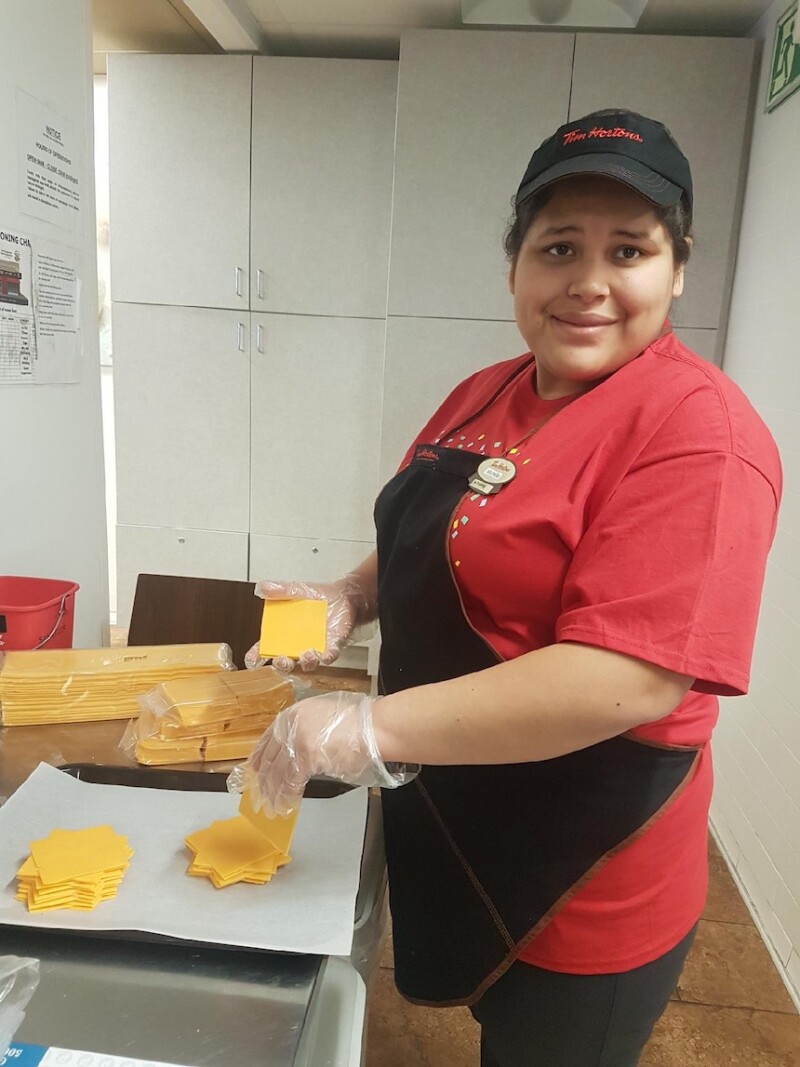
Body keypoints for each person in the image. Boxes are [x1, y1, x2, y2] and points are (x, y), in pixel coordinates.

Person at [239, 110, 782, 1066]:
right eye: (558, 247)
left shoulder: (698, 433)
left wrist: (363, 727)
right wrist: (349, 595)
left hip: (585, 874)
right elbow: (439, 531)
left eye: (630, 250)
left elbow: (625, 680)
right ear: (515, 266)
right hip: (463, 816)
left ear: (679, 267)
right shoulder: (490, 388)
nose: (589, 282)